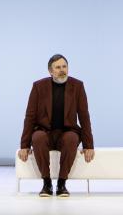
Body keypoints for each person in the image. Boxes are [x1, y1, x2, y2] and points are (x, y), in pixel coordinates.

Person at [18, 54, 95, 197]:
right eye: (58, 67)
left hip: (67, 132)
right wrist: (24, 145)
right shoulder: (38, 86)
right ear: (50, 71)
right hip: (44, 132)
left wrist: (88, 145)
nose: (62, 70)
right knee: (38, 137)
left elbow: (84, 116)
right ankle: (46, 183)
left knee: (71, 138)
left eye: (64, 66)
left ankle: (61, 184)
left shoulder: (77, 86)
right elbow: (30, 116)